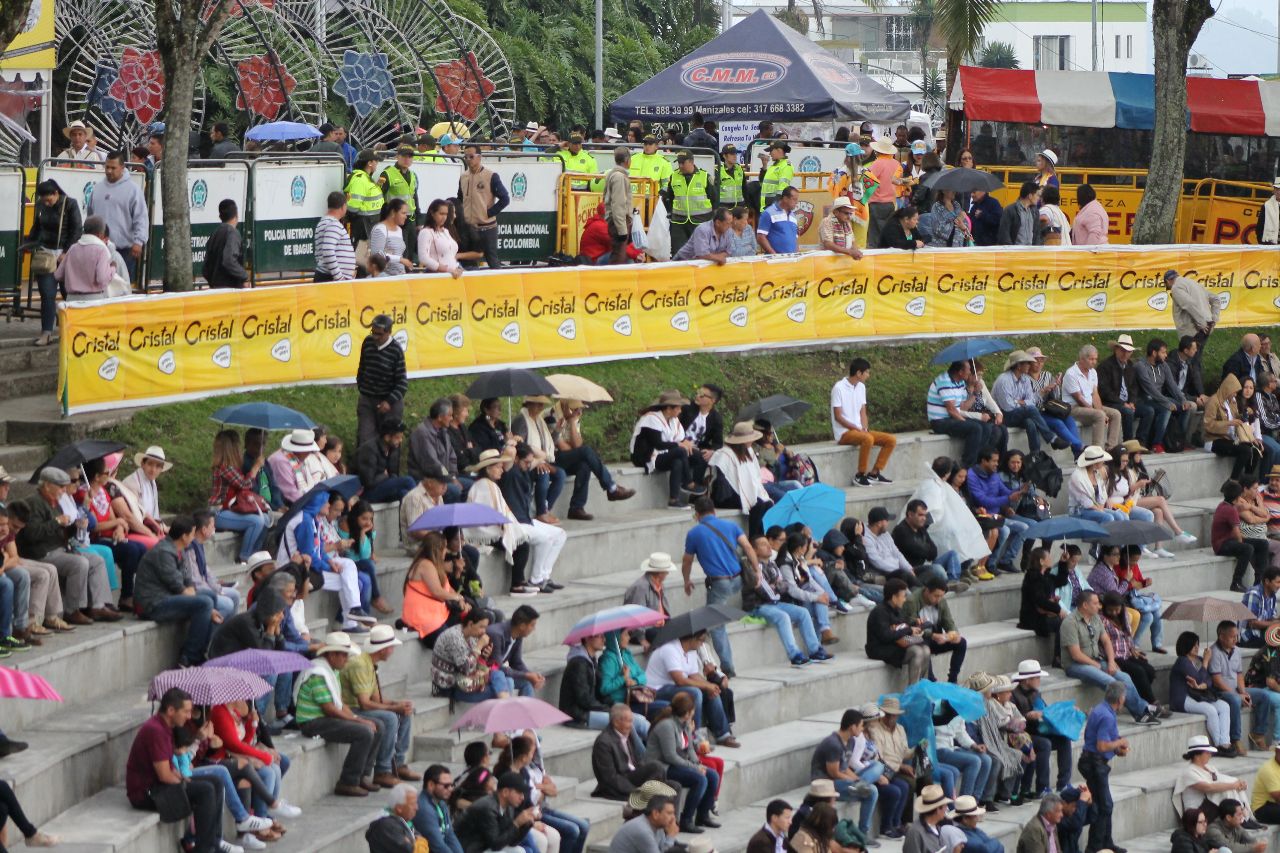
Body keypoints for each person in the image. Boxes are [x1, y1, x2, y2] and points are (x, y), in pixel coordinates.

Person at [126, 688, 224, 853]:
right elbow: (164, 776)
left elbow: (170, 768)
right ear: (171, 710)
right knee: (205, 790)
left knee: (216, 780)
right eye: (185, 711)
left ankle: (213, 843)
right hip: (146, 793)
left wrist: (183, 778)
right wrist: (184, 782)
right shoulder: (155, 730)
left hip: (160, 785)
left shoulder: (166, 726)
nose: (188, 716)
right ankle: (204, 850)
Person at [294, 631, 380, 796]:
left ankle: (362, 774)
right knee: (364, 733)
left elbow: (340, 703)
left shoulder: (332, 671)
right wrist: (359, 722)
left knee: (378, 726)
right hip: (312, 722)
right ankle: (348, 782)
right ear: (332, 655)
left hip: (325, 718)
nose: (346, 660)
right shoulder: (318, 673)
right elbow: (330, 708)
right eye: (344, 656)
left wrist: (357, 718)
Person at [681, 497, 756, 677]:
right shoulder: (731, 526)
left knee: (715, 625)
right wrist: (757, 571)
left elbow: (687, 560)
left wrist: (686, 580)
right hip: (738, 579)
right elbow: (747, 547)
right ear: (714, 511)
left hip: (719, 582)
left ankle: (727, 666)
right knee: (715, 617)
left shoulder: (694, 533)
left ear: (697, 515)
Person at [1062, 590, 1161, 724]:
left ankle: (1143, 708)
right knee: (1112, 682)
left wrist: (1111, 662)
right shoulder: (1070, 623)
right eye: (1096, 603)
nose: (1099, 606)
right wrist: (1096, 665)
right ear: (1085, 605)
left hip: (1096, 659)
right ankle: (1141, 712)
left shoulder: (1095, 618)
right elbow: (1076, 654)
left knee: (1124, 677)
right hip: (1076, 665)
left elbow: (1106, 641)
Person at [340, 624, 417, 788]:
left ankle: (399, 762)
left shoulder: (370, 664)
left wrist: (398, 704)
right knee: (389, 718)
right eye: (391, 648)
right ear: (383, 649)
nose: (392, 651)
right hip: (350, 709)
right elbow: (365, 704)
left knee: (405, 712)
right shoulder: (360, 665)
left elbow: (377, 699)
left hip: (360, 707)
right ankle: (383, 771)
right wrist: (394, 708)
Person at [134, 517, 214, 666]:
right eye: (192, 534)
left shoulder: (179, 549)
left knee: (209, 596)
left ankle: (202, 649)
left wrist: (190, 589)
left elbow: (187, 578)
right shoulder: (163, 552)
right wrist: (193, 595)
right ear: (184, 536)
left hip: (169, 596)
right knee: (205, 603)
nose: (193, 538)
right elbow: (177, 585)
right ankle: (189, 656)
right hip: (153, 603)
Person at [743, 536, 830, 667]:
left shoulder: (772, 564)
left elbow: (784, 585)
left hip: (774, 603)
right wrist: (776, 589)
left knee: (803, 613)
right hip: (758, 606)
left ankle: (815, 650)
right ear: (754, 551)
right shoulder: (752, 567)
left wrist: (775, 588)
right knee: (783, 617)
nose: (768, 547)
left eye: (768, 543)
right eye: (763, 544)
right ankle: (794, 655)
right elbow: (764, 591)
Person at [645, 630, 736, 746]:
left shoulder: (691, 651)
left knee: (710, 690)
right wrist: (707, 685)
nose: (702, 644)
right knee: (695, 693)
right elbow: (680, 680)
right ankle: (693, 736)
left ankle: (722, 734)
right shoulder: (670, 649)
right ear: (693, 638)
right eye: (701, 640)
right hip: (656, 690)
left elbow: (694, 675)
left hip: (673, 687)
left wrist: (711, 687)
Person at [646, 692, 720, 833]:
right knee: (700, 779)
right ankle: (686, 820)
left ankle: (703, 815)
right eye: (692, 710)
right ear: (687, 712)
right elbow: (670, 756)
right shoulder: (667, 726)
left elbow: (690, 749)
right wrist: (694, 768)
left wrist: (698, 764)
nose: (694, 712)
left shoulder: (685, 724)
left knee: (713, 775)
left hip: (676, 764)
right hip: (662, 767)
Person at [630, 390, 708, 509]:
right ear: (668, 409)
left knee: (685, 459)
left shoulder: (673, 420)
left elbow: (679, 439)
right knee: (681, 451)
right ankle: (688, 483)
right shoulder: (651, 419)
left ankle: (673, 500)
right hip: (646, 456)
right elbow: (658, 444)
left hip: (663, 454)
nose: (680, 411)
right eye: (678, 408)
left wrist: (684, 443)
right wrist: (679, 445)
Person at [27, 179, 82, 346]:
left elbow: (76, 229)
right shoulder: (41, 205)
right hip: (46, 255)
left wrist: (66, 251)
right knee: (47, 294)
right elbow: (36, 227)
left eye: (48, 199)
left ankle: (73, 329)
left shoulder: (70, 204)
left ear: (56, 193)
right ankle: (47, 333)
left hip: (66, 255)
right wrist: (30, 243)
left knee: (68, 294)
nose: (46, 202)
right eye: (43, 200)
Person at [1078, 681, 1130, 852]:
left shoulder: (1102, 709)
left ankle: (1106, 842)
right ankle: (1095, 847)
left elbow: (1104, 741)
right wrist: (1120, 742)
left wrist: (1117, 748)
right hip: (1094, 764)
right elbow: (1101, 746)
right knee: (1104, 806)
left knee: (1104, 805)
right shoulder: (1107, 716)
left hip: (1093, 762)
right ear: (1120, 699)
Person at [1010, 659, 1073, 792]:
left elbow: (1046, 710)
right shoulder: (1013, 695)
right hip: (1023, 735)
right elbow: (1012, 722)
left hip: (1038, 730)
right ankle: (1042, 787)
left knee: (1064, 740)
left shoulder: (1035, 692)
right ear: (1027, 680)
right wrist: (1027, 716)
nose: (1039, 680)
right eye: (1037, 677)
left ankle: (1064, 783)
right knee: (1045, 744)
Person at [1170, 630, 1235, 755]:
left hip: (1199, 695)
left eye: (1197, 644)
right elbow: (1198, 677)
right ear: (1186, 645)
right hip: (1183, 698)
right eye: (1193, 645)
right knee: (1210, 710)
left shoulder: (1199, 659)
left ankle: (1225, 742)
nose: (1196, 647)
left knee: (1224, 706)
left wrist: (1201, 686)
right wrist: (1205, 662)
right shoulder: (1182, 661)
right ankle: (1218, 745)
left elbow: (1208, 680)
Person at [833, 357, 895, 487]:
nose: (868, 375)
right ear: (858, 373)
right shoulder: (838, 388)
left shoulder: (861, 387)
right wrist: (856, 428)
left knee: (890, 440)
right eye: (866, 372)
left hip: (860, 431)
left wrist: (865, 428)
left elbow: (863, 412)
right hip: (845, 433)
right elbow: (838, 416)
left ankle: (874, 473)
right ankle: (860, 475)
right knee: (867, 439)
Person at [88, 151, 147, 284]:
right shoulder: (97, 188)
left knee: (123, 289)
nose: (109, 171)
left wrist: (139, 241)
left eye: (113, 168)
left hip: (124, 250)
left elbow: (141, 217)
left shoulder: (133, 190)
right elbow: (90, 216)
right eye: (107, 167)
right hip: (99, 248)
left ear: (122, 167)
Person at [591, 704, 666, 800]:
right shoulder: (603, 743)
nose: (631, 725)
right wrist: (636, 791)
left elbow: (638, 761)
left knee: (674, 786)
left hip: (632, 775)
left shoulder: (627, 734)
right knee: (656, 768)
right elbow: (610, 778)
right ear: (616, 722)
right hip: (619, 783)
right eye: (629, 721)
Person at [927, 361, 994, 469]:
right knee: (975, 428)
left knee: (986, 427)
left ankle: (977, 462)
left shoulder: (960, 382)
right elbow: (951, 410)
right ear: (960, 372)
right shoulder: (944, 381)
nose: (970, 372)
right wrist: (965, 422)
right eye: (968, 370)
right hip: (940, 421)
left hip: (952, 418)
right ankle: (967, 466)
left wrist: (975, 393)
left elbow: (963, 407)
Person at [356, 314, 408, 449]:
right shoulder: (367, 343)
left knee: (390, 440)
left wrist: (389, 401)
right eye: (373, 332)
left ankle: (390, 469)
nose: (375, 337)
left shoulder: (396, 350)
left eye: (379, 334)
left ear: (389, 332)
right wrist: (362, 386)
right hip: (368, 398)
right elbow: (362, 367)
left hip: (389, 401)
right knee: (365, 437)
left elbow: (402, 383)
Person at [865, 577, 930, 684]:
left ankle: (922, 685)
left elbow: (902, 625)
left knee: (926, 650)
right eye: (903, 596)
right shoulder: (879, 612)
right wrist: (909, 630)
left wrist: (915, 625)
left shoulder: (897, 610)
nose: (905, 599)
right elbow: (886, 636)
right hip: (879, 648)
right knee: (916, 651)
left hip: (893, 644)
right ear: (894, 597)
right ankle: (913, 690)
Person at [902, 576, 966, 683]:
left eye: (941, 596)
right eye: (936, 596)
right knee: (923, 642)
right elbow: (911, 627)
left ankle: (952, 680)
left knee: (961, 643)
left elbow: (948, 621)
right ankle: (930, 680)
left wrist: (953, 633)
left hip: (935, 637)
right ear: (927, 591)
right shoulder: (912, 601)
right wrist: (933, 635)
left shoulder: (941, 601)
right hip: (917, 639)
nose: (938, 599)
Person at [454, 771, 537, 851]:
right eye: (519, 792)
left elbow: (510, 842)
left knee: (521, 850)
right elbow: (495, 845)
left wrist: (526, 824)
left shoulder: (509, 806)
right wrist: (516, 823)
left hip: (485, 846)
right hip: (468, 849)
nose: (522, 797)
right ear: (505, 792)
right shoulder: (487, 807)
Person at [456, 145, 509, 270]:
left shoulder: (491, 175)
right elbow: (460, 198)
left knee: (492, 259)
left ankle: (499, 286)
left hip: (487, 227)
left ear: (480, 157)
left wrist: (488, 213)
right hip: (469, 227)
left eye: (471, 156)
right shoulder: (463, 177)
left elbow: (505, 198)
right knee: (469, 262)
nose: (468, 159)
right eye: (466, 157)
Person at [1216, 480, 1270, 592]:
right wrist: (1242, 546)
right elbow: (1237, 533)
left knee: (1263, 544)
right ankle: (1236, 582)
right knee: (1247, 548)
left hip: (1229, 540)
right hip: (1222, 544)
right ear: (1237, 498)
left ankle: (1259, 581)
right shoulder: (1230, 510)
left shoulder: (1225, 505)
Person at [1063, 346, 1122, 449]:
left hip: (1089, 406)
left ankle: (1111, 449)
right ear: (1082, 359)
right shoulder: (1071, 374)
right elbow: (1079, 398)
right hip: (1074, 408)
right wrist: (1100, 413)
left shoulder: (1093, 372)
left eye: (1095, 359)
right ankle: (1097, 451)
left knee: (1116, 414)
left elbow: (1095, 394)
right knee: (1099, 415)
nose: (1094, 362)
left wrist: (1100, 410)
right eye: (1091, 359)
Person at [1167, 270, 1219, 375]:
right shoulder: (1195, 284)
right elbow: (1216, 299)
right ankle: (1198, 388)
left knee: (1190, 364)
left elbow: (1188, 304)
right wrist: (1214, 319)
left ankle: (1193, 390)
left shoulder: (1176, 287)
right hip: (1206, 327)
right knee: (1196, 361)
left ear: (1168, 281)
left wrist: (1201, 323)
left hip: (1193, 331)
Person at [487, 605, 545, 698]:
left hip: (499, 674)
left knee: (527, 683)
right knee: (511, 681)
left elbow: (516, 662)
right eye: (532, 625)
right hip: (487, 674)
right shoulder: (496, 634)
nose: (534, 629)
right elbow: (497, 667)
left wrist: (531, 675)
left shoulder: (518, 635)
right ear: (522, 626)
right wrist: (527, 675)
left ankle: (525, 712)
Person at [664, 152, 716, 255]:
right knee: (678, 253)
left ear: (692, 162)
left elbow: (714, 199)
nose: (680, 166)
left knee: (701, 253)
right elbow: (669, 198)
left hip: (700, 222)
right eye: (679, 163)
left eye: (683, 163)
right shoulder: (673, 177)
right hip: (679, 223)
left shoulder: (705, 176)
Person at [355, 420, 415, 504]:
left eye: (401, 437)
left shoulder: (392, 448)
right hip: (367, 493)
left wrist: (390, 476)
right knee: (408, 480)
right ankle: (424, 511)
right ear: (387, 437)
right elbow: (368, 482)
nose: (401, 440)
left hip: (383, 488)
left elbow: (392, 473)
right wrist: (385, 475)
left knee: (403, 493)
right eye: (397, 437)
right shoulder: (369, 450)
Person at [1097, 335, 1141, 442]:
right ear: (1116, 349)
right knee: (1128, 412)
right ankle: (1128, 442)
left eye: (1128, 351)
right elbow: (1104, 391)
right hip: (1111, 402)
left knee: (1149, 411)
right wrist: (1122, 403)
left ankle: (1142, 441)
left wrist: (1132, 402)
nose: (1125, 354)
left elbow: (1134, 388)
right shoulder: (1105, 366)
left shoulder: (1130, 365)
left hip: (1126, 402)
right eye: (1123, 350)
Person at [414, 765, 465, 853]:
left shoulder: (440, 802)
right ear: (431, 785)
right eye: (446, 786)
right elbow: (438, 846)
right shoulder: (424, 809)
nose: (451, 789)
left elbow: (450, 835)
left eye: (452, 785)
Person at [199, 198, 248, 289]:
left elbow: (205, 267)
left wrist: (213, 282)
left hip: (215, 289)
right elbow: (229, 260)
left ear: (220, 216)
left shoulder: (215, 233)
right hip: (231, 289)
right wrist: (244, 276)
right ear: (236, 215)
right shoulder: (233, 233)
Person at [608, 793, 676, 853]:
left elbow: (663, 849)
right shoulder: (643, 830)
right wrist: (670, 836)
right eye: (669, 813)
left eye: (673, 813)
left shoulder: (658, 826)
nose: (673, 817)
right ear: (655, 814)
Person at [312, 191, 356, 282]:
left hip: (327, 276)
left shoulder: (323, 223)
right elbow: (328, 251)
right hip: (331, 279)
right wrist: (339, 278)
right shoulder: (333, 224)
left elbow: (318, 254)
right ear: (343, 206)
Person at [365, 783, 420, 853]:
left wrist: (413, 842)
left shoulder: (403, 821)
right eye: (413, 804)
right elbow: (409, 850)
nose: (417, 808)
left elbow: (421, 841)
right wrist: (415, 843)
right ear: (399, 808)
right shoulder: (386, 826)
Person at [602, 147, 634, 265]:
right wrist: (622, 230)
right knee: (618, 258)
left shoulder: (614, 174)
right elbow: (618, 204)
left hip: (616, 221)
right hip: (618, 222)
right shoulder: (619, 177)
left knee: (619, 256)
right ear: (627, 160)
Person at [417, 198, 464, 277]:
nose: (444, 217)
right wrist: (446, 269)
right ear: (432, 213)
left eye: (446, 214)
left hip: (453, 274)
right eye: (441, 214)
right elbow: (423, 258)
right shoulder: (426, 232)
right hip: (437, 275)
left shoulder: (446, 231)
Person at [1240, 567, 1280, 647]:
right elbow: (1253, 623)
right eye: (1278, 582)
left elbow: (1269, 619)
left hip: (1262, 632)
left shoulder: (1272, 596)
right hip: (1248, 636)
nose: (1279, 586)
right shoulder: (1254, 594)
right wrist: (1276, 622)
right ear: (1267, 581)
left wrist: (1278, 619)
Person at [756, 186, 800, 255]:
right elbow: (761, 237)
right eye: (794, 199)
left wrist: (797, 255)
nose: (797, 202)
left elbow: (795, 239)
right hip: (775, 261)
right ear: (785, 199)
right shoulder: (768, 213)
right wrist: (773, 254)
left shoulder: (793, 216)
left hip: (792, 260)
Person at [998, 181, 1040, 246]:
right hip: (1015, 253)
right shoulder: (1010, 210)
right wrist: (1011, 251)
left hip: (1031, 253)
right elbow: (1004, 233)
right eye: (1037, 195)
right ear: (1030, 196)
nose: (1038, 198)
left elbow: (1037, 234)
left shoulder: (1035, 212)